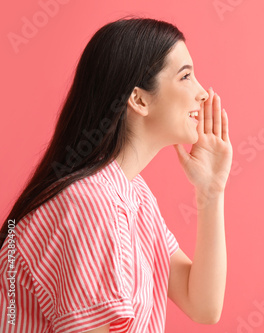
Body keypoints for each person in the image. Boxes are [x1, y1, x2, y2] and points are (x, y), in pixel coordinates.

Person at [0, 17, 232, 332]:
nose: (203, 93)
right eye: (186, 76)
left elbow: (202, 305)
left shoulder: (131, 193)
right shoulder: (91, 203)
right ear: (138, 99)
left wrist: (211, 192)